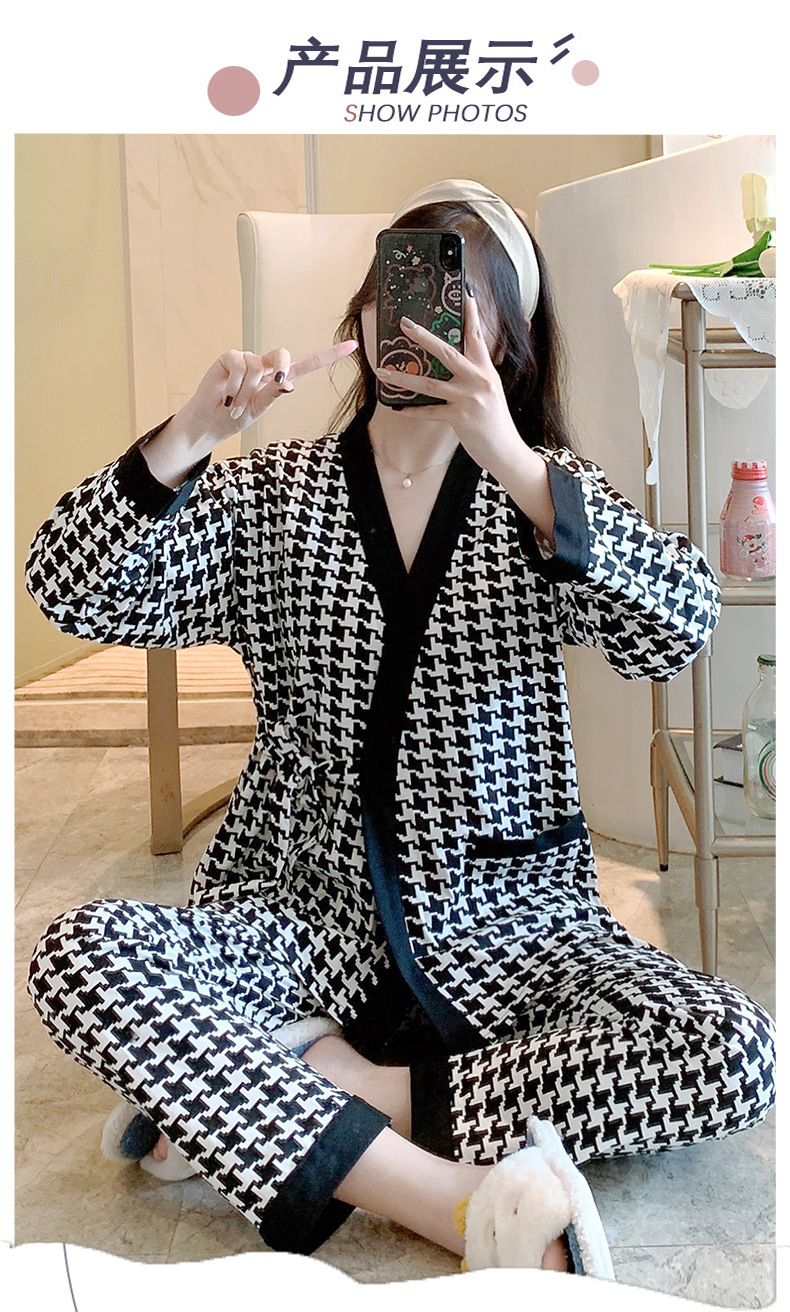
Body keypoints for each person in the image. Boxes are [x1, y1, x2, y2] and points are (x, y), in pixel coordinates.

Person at [25, 180, 775, 1278]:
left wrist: (511, 455)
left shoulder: (541, 495)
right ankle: (451, 1201)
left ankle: (302, 1092)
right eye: (398, 285)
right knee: (81, 954)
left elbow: (680, 626)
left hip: (509, 926)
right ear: (362, 312)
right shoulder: (272, 494)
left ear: (504, 344)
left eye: (454, 301)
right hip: (304, 915)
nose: (415, 319)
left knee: (730, 1048)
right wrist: (192, 433)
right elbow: (72, 587)